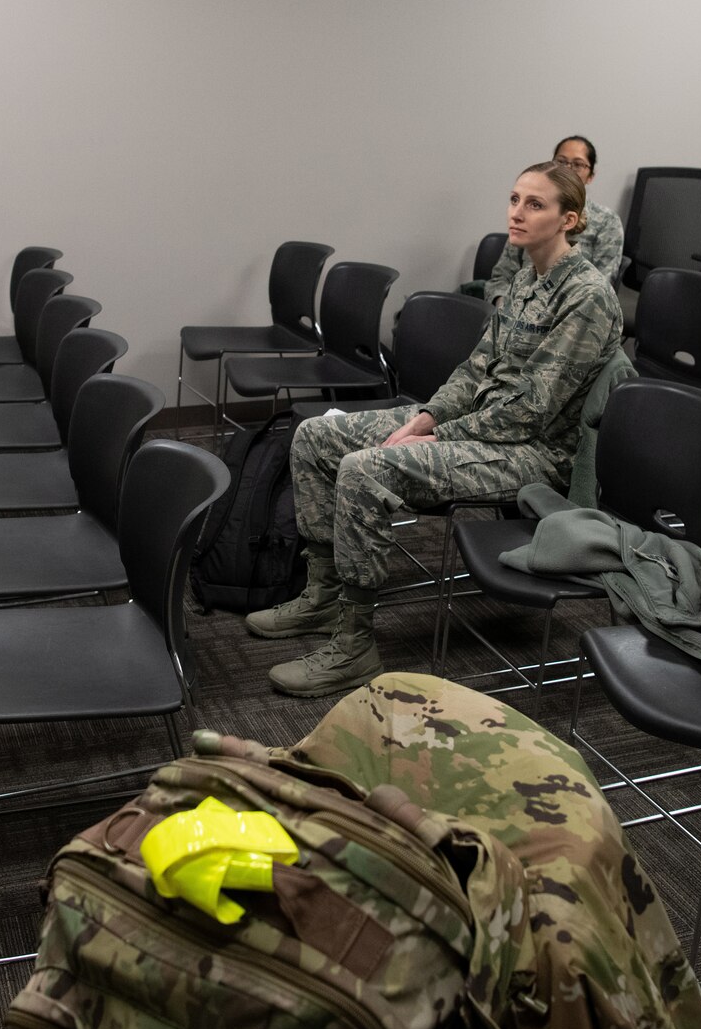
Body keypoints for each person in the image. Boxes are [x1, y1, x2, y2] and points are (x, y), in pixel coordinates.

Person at [249, 161, 623, 697]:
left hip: (534, 453)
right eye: (514, 198)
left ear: (571, 219)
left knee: (363, 469)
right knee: (314, 436)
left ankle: (354, 646)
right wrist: (425, 417)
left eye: (534, 204)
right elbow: (475, 371)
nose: (516, 213)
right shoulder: (524, 279)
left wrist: (437, 438)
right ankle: (322, 594)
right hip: (482, 428)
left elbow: (530, 411)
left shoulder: (585, 295)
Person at [478, 135, 623, 304]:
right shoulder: (525, 221)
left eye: (577, 164)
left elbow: (599, 289)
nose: (568, 169)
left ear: (590, 176)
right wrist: (505, 311)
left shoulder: (606, 221)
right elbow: (500, 279)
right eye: (561, 162)